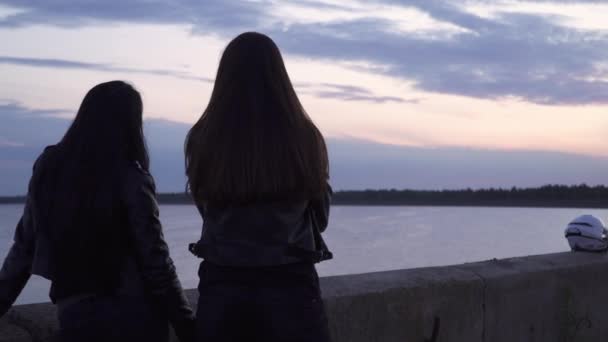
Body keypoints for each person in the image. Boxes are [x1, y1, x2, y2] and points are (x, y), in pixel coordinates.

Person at [0, 81, 194, 342]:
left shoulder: (50, 168)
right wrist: (185, 324)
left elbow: (23, 250)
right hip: (137, 319)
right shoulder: (131, 176)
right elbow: (156, 260)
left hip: (76, 314)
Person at [185, 32, 333, 342]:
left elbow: (206, 210)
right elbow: (320, 218)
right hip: (291, 289)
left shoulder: (202, 138)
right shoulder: (305, 137)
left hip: (223, 289)